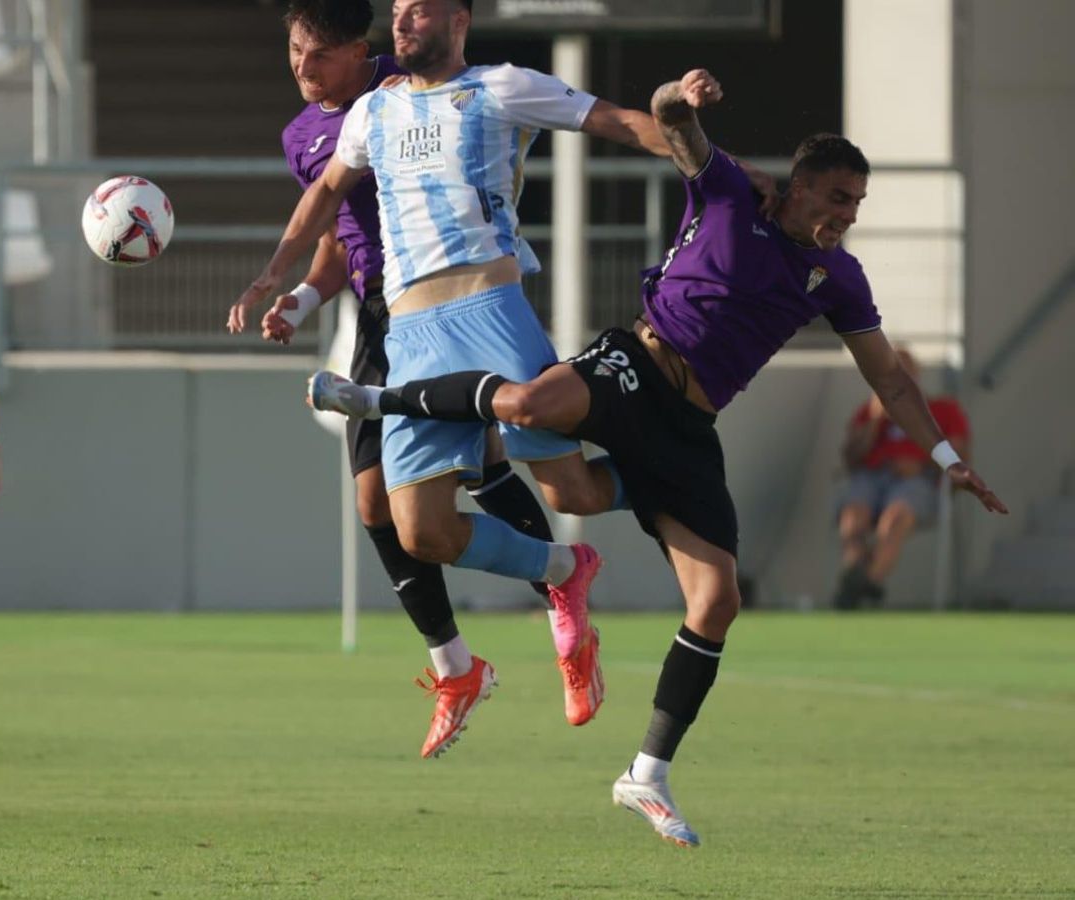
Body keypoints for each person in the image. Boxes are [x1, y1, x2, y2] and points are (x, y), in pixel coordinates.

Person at [306, 70, 1009, 846]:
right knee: (541, 428)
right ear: (800, 188)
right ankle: (376, 402)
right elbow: (675, 126)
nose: (847, 216)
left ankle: (646, 774)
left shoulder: (837, 277)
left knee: (717, 599)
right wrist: (680, 96)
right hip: (632, 364)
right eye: (839, 198)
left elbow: (888, 377)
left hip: (687, 425)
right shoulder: (733, 194)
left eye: (857, 205)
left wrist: (945, 456)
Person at [234, 0, 722, 746]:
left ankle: (668, 476)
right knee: (417, 528)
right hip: (410, 333)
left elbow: (620, 122)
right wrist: (277, 276)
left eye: (418, 10)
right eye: (397, 9)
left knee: (575, 490)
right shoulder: (372, 112)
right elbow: (328, 193)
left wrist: (700, 149)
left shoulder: (499, 87)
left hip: (491, 312)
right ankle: (562, 570)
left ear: (458, 19)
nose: (403, 21)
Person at [229, 0, 573, 759]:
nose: (302, 67)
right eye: (293, 51)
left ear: (360, 51)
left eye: (317, 55)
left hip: (452, 291)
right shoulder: (304, 137)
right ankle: (457, 663)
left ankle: (559, 596)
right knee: (381, 500)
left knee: (492, 463)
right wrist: (301, 296)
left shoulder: (403, 83)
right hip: (380, 317)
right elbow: (337, 237)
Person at [834, 348, 972, 608]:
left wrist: (921, 464)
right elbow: (850, 458)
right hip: (872, 477)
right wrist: (875, 421)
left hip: (917, 482)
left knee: (894, 519)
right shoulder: (869, 411)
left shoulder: (943, 409)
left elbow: (961, 457)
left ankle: (863, 588)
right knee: (853, 518)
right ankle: (855, 574)